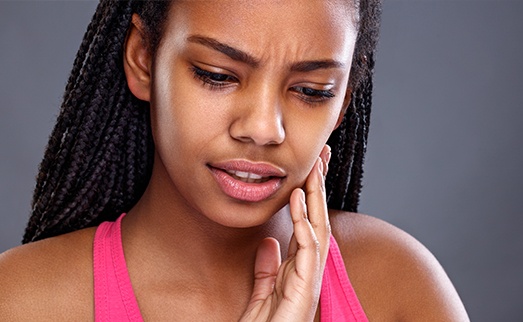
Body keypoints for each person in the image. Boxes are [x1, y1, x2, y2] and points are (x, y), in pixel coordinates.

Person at [0, 0, 469, 320]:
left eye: (311, 91)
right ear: (144, 58)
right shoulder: (21, 301)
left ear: (344, 99)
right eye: (217, 75)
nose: (264, 128)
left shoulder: (399, 286)